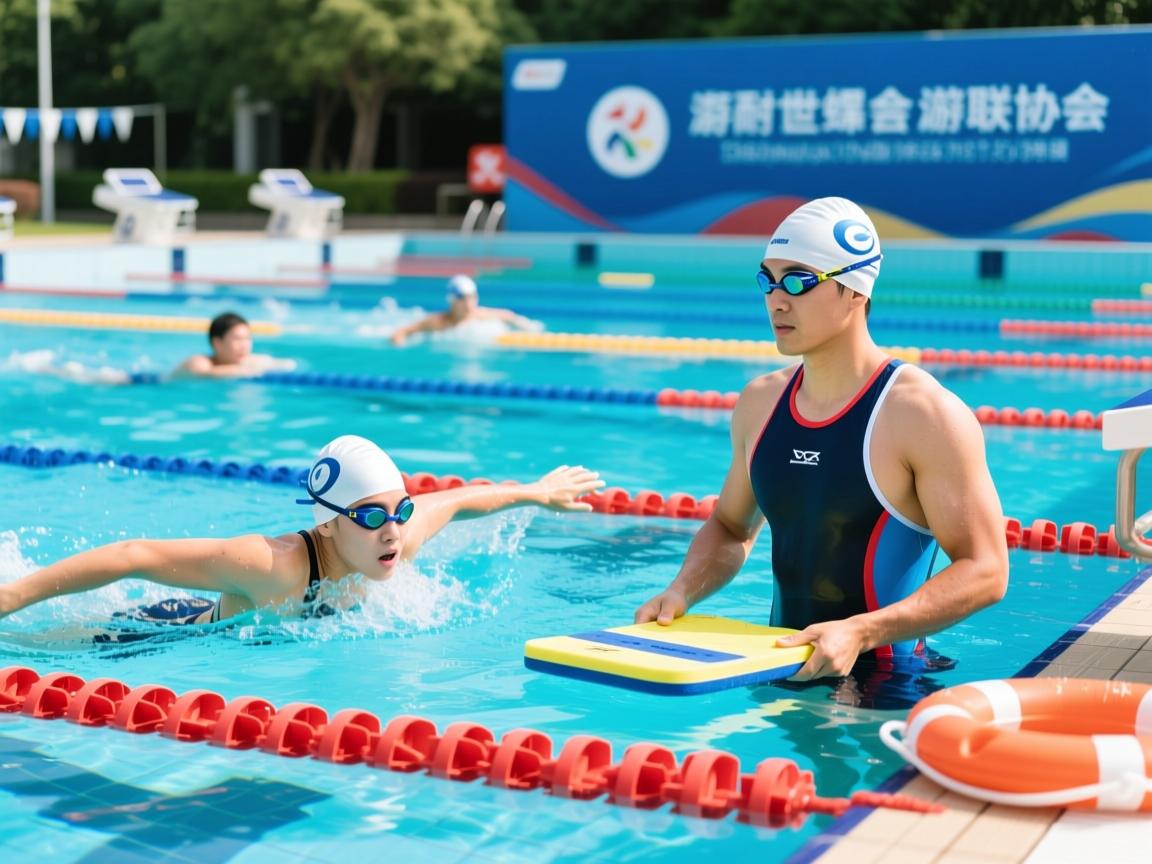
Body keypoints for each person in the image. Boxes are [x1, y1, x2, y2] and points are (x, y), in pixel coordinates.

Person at [634, 197, 1009, 681]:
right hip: (777, 669)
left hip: (887, 684)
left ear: (855, 291)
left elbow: (986, 569)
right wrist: (682, 589)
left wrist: (861, 632)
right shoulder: (760, 403)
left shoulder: (922, 414)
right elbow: (730, 527)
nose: (777, 299)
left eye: (797, 280)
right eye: (767, 280)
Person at [0, 435, 604, 627]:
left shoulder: (397, 536)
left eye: (400, 508)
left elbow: (466, 500)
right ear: (330, 523)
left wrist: (534, 493)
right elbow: (134, 553)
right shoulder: (272, 564)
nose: (392, 529)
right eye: (370, 516)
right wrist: (14, 597)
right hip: (162, 635)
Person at [390, 275, 541, 346]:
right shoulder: (437, 322)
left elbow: (510, 316)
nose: (469, 303)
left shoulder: (483, 317)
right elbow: (401, 332)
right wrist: (400, 345)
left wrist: (528, 328)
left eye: (472, 297)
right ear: (452, 300)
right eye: (463, 298)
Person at [172, 311, 296, 378]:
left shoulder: (247, 362)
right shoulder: (199, 362)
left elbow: (289, 364)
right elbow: (205, 373)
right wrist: (248, 370)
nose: (244, 346)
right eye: (237, 339)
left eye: (247, 339)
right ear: (217, 343)